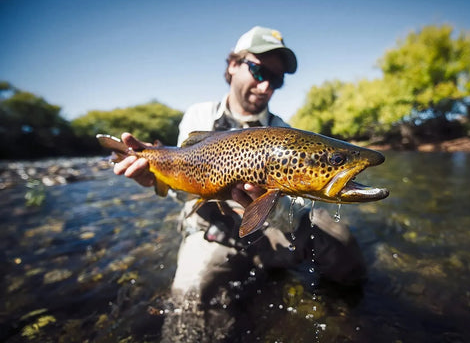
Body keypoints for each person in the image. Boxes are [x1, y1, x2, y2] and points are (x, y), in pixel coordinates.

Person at [112, 26, 366, 342]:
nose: (265, 86)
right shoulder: (199, 115)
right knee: (191, 301)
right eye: (258, 70)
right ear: (233, 65)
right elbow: (185, 185)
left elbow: (298, 207)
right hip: (213, 223)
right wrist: (152, 175)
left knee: (341, 243)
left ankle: (351, 308)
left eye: (276, 80)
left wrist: (268, 208)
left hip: (268, 219)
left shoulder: (282, 131)